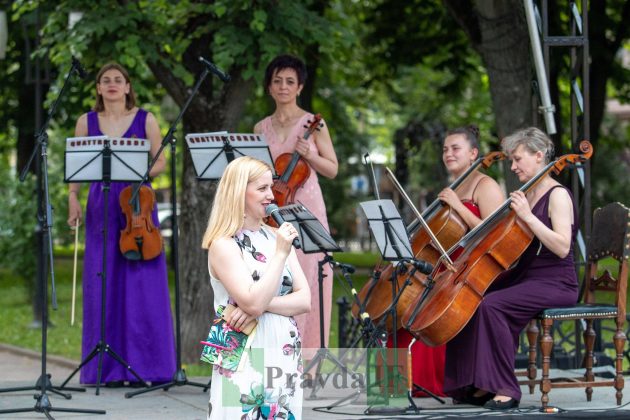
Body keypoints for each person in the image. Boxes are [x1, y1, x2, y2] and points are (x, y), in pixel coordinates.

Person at [443, 127, 579, 410]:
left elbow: (562, 246)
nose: (513, 166)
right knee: (469, 298)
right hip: (528, 276)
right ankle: (476, 382)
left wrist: (528, 217)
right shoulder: (526, 195)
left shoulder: (557, 195)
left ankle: (506, 388)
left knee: (493, 306)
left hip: (556, 283)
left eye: (518, 159)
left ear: (539, 156)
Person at [67, 62, 175, 386]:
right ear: (98, 88)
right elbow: (75, 169)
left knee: (141, 286)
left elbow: (161, 162)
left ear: (128, 87)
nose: (112, 84)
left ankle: (149, 368)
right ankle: (106, 371)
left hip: (136, 204)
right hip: (101, 204)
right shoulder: (85, 122)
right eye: (105, 80)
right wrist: (72, 197)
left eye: (118, 80)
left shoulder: (147, 119)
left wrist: (136, 163)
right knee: (103, 282)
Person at [388, 125, 505, 397]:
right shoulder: (451, 187)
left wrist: (457, 205)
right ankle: (393, 383)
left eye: (455, 148)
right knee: (403, 306)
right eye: (445, 149)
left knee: (424, 310)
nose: (448, 154)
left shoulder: (484, 185)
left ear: (473, 153)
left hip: (468, 271)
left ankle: (427, 381)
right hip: (442, 266)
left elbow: (493, 235)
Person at [202, 156, 310, 419]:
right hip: (244, 350)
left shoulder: (277, 236)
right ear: (239, 192)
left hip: (283, 347)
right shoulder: (223, 244)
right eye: (261, 189)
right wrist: (280, 256)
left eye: (270, 187)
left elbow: (305, 300)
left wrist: (257, 305)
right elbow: (252, 303)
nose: (270, 196)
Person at [254, 54, 338, 354]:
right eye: (277, 81)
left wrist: (310, 155)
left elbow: (332, 168)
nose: (283, 86)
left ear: (300, 86)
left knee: (309, 281)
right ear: (269, 87)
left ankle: (307, 357)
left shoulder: (313, 124)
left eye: (290, 81)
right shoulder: (260, 128)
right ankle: (277, 353)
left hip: (307, 208)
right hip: (272, 209)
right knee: (275, 278)